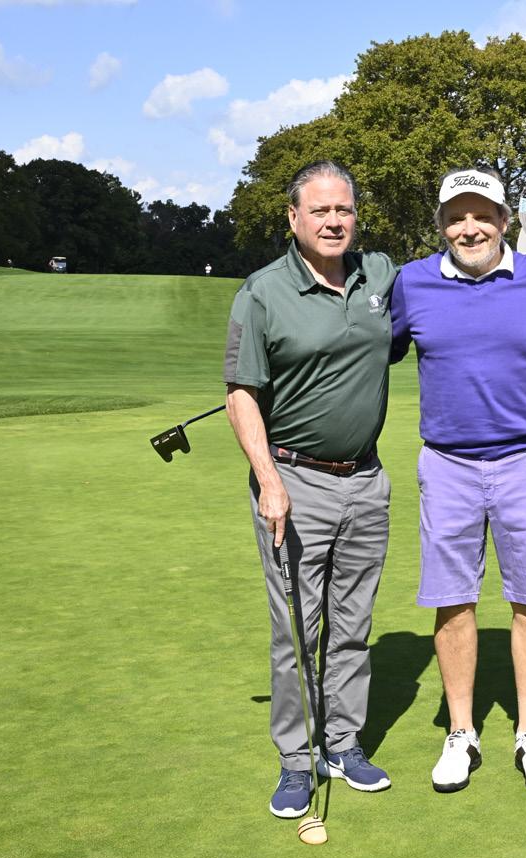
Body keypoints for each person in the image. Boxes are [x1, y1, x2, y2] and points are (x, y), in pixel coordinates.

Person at [391, 167, 526, 794]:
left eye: (481, 216)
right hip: (448, 464)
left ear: (503, 221)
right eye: (455, 217)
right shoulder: (412, 282)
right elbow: (371, 348)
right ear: (441, 225)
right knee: (453, 599)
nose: (468, 228)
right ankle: (462, 732)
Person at [224, 160, 396, 819]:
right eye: (319, 210)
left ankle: (343, 744)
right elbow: (241, 393)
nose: (332, 220)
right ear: (293, 217)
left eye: (343, 209)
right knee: (298, 629)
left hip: (366, 480)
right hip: (293, 480)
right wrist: (268, 481)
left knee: (352, 624)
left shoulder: (379, 275)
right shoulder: (263, 292)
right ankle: (297, 760)